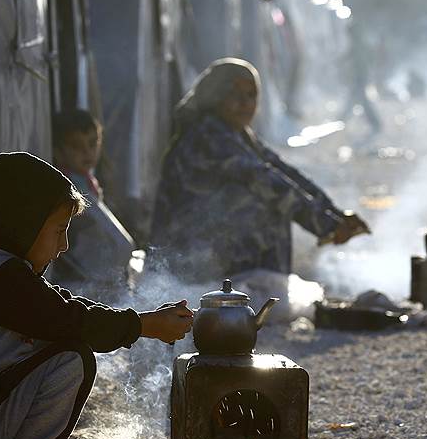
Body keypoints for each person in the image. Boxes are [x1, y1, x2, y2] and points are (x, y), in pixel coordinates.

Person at [0, 152, 193, 439]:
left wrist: (143, 318)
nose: (63, 245)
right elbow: (72, 321)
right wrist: (144, 325)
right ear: (23, 222)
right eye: (59, 230)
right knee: (72, 359)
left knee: (61, 342)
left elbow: (57, 305)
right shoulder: (0, 276)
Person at [150, 58, 369, 282]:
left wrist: (335, 214)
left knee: (274, 202)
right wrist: (325, 225)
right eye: (235, 95)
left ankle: (263, 294)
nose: (245, 104)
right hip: (181, 251)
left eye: (251, 95)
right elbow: (263, 179)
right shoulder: (207, 135)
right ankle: (253, 294)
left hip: (205, 243)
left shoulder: (238, 134)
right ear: (216, 96)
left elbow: (283, 171)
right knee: (267, 206)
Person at [49, 110, 136, 296]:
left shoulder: (86, 179)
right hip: (79, 279)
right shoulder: (68, 185)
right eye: (76, 146)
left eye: (92, 143)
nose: (87, 152)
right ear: (58, 151)